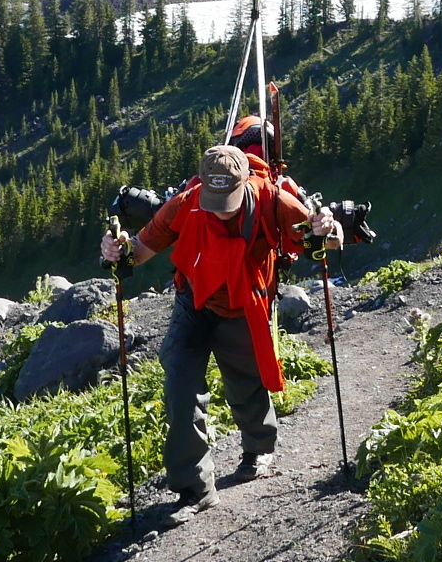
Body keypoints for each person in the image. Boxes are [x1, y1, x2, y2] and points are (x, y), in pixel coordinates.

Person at [101, 142, 341, 527]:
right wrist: (116, 250)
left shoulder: (273, 200)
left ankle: (259, 448)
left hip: (243, 302)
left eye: (226, 196)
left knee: (245, 379)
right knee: (179, 383)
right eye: (212, 196)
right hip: (192, 299)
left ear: (245, 183)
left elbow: (325, 243)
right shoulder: (186, 202)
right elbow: (141, 248)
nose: (218, 205)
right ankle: (194, 489)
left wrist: (328, 227)